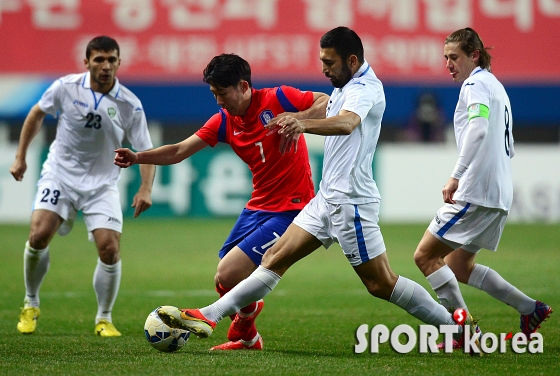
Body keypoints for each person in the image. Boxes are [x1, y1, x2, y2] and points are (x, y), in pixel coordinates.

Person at [155, 26, 480, 352]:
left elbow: (347, 122)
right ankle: (210, 317)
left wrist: (301, 123)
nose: (323, 68)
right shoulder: (345, 84)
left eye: (329, 62)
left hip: (351, 201)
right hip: (327, 198)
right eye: (322, 60)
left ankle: (457, 327)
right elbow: (329, 110)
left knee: (380, 282)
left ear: (352, 60)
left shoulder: (364, 88)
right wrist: (300, 116)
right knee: (273, 258)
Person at [114, 53, 329, 350]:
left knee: (229, 272)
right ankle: (249, 335)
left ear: (243, 86)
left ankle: (242, 320)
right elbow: (179, 151)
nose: (218, 101)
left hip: (293, 208)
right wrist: (138, 157)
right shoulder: (225, 122)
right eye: (213, 94)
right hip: (258, 206)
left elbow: (326, 102)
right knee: (223, 280)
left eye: (222, 93)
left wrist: (299, 120)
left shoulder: (279, 98)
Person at [413, 28, 552, 348]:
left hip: (474, 190)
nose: (447, 63)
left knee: (425, 256)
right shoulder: (496, 87)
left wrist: (457, 175)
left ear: (474, 55)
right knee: (459, 265)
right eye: (445, 57)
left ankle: (462, 330)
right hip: (498, 193)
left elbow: (477, 128)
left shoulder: (474, 84)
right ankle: (531, 309)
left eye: (454, 57)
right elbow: (509, 144)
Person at [10, 36, 156, 337]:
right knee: (38, 235)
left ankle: (103, 318)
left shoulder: (130, 104)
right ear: (86, 62)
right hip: (60, 175)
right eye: (99, 59)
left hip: (102, 184)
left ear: (119, 63)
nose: (105, 66)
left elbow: (145, 149)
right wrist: (21, 157)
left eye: (111, 60)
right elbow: (36, 113)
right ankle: (31, 302)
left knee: (109, 248)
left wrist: (146, 189)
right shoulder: (65, 87)